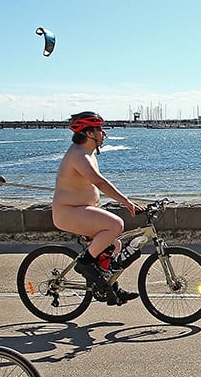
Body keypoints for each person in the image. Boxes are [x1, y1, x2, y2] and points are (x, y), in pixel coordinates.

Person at [52, 111, 141, 305]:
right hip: (68, 212)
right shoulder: (79, 155)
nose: (103, 133)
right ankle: (85, 264)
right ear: (89, 133)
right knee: (116, 224)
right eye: (99, 129)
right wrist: (126, 202)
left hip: (80, 210)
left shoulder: (87, 154)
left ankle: (110, 288)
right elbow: (100, 183)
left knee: (115, 245)